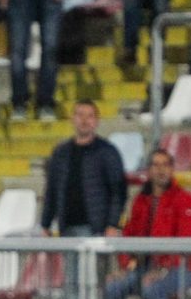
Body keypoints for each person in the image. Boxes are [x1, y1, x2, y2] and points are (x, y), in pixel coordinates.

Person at [106, 147, 191, 299]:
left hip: (181, 268)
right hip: (145, 268)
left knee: (152, 289)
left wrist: (163, 270)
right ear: (149, 170)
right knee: (112, 287)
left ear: (172, 169)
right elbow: (129, 236)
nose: (161, 170)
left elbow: (185, 243)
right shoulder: (141, 200)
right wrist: (126, 267)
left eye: (165, 165)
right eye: (156, 165)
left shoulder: (185, 200)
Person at [41, 99, 128, 236]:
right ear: (72, 119)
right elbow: (51, 191)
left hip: (97, 229)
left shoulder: (107, 152)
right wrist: (45, 224)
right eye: (80, 115)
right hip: (66, 228)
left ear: (97, 121)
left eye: (90, 116)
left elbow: (118, 191)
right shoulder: (60, 153)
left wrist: (112, 224)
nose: (84, 120)